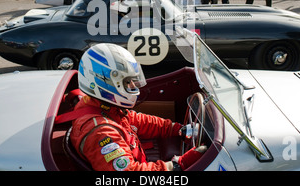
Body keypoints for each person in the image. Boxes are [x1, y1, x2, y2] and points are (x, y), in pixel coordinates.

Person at [70, 43, 207, 171]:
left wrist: (177, 129)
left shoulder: (102, 106)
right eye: (127, 82)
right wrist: (177, 165)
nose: (133, 86)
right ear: (105, 83)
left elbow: (136, 120)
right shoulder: (101, 133)